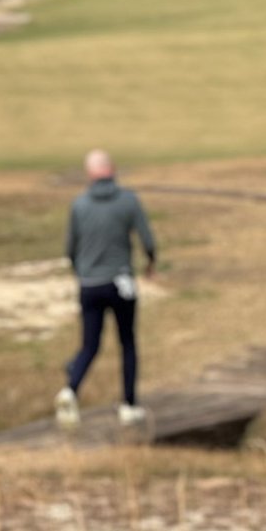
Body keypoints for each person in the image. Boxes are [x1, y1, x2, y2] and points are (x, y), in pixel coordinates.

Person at [55, 149, 156, 429]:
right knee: (127, 343)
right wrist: (151, 262)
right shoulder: (128, 200)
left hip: (89, 284)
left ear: (90, 174)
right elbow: (147, 238)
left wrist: (81, 272)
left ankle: (70, 389)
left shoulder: (79, 205)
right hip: (121, 282)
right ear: (112, 170)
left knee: (90, 344)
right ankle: (129, 405)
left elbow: (70, 249)